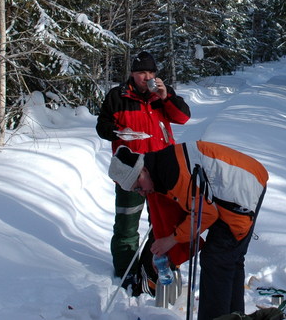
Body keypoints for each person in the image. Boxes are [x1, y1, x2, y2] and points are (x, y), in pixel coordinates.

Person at [108, 141, 268, 320]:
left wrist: (171, 240)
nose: (141, 193)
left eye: (138, 187)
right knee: (230, 260)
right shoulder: (160, 167)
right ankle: (235, 315)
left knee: (216, 260)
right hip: (248, 178)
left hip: (241, 190)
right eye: (135, 191)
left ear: (142, 171)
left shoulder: (170, 172)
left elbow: (206, 214)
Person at [95, 51, 191, 282]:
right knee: (127, 225)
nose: (145, 77)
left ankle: (156, 269)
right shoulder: (117, 96)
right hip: (130, 172)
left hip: (162, 171)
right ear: (132, 74)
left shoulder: (162, 95)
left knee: (162, 224)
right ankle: (126, 273)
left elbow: (183, 118)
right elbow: (102, 126)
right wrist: (118, 132)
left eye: (150, 72)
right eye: (140, 73)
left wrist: (166, 96)